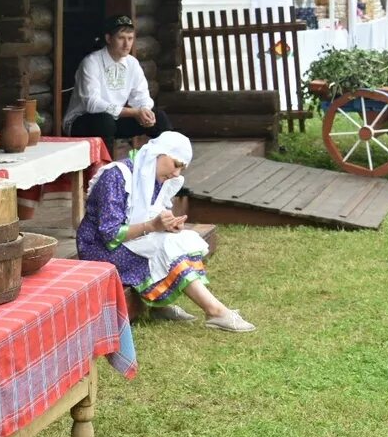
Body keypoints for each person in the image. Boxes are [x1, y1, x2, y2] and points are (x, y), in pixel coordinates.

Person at [76, 132, 255, 333]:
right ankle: (215, 311)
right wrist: (153, 227)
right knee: (165, 249)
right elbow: (110, 233)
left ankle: (161, 306)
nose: (177, 174)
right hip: (99, 250)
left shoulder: (152, 176)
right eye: (176, 164)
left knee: (183, 239)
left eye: (181, 168)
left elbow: (148, 215)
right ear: (159, 154)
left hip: (126, 242)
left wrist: (167, 226)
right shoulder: (116, 176)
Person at [62, 15, 171, 151]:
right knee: (105, 121)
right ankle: (105, 169)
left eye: (130, 38)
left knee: (159, 118)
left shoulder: (132, 63)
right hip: (82, 121)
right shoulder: (91, 62)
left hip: (114, 120)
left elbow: (141, 96)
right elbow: (92, 104)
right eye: (121, 38)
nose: (127, 44)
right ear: (108, 38)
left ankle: (168, 164)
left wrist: (144, 110)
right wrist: (134, 112)